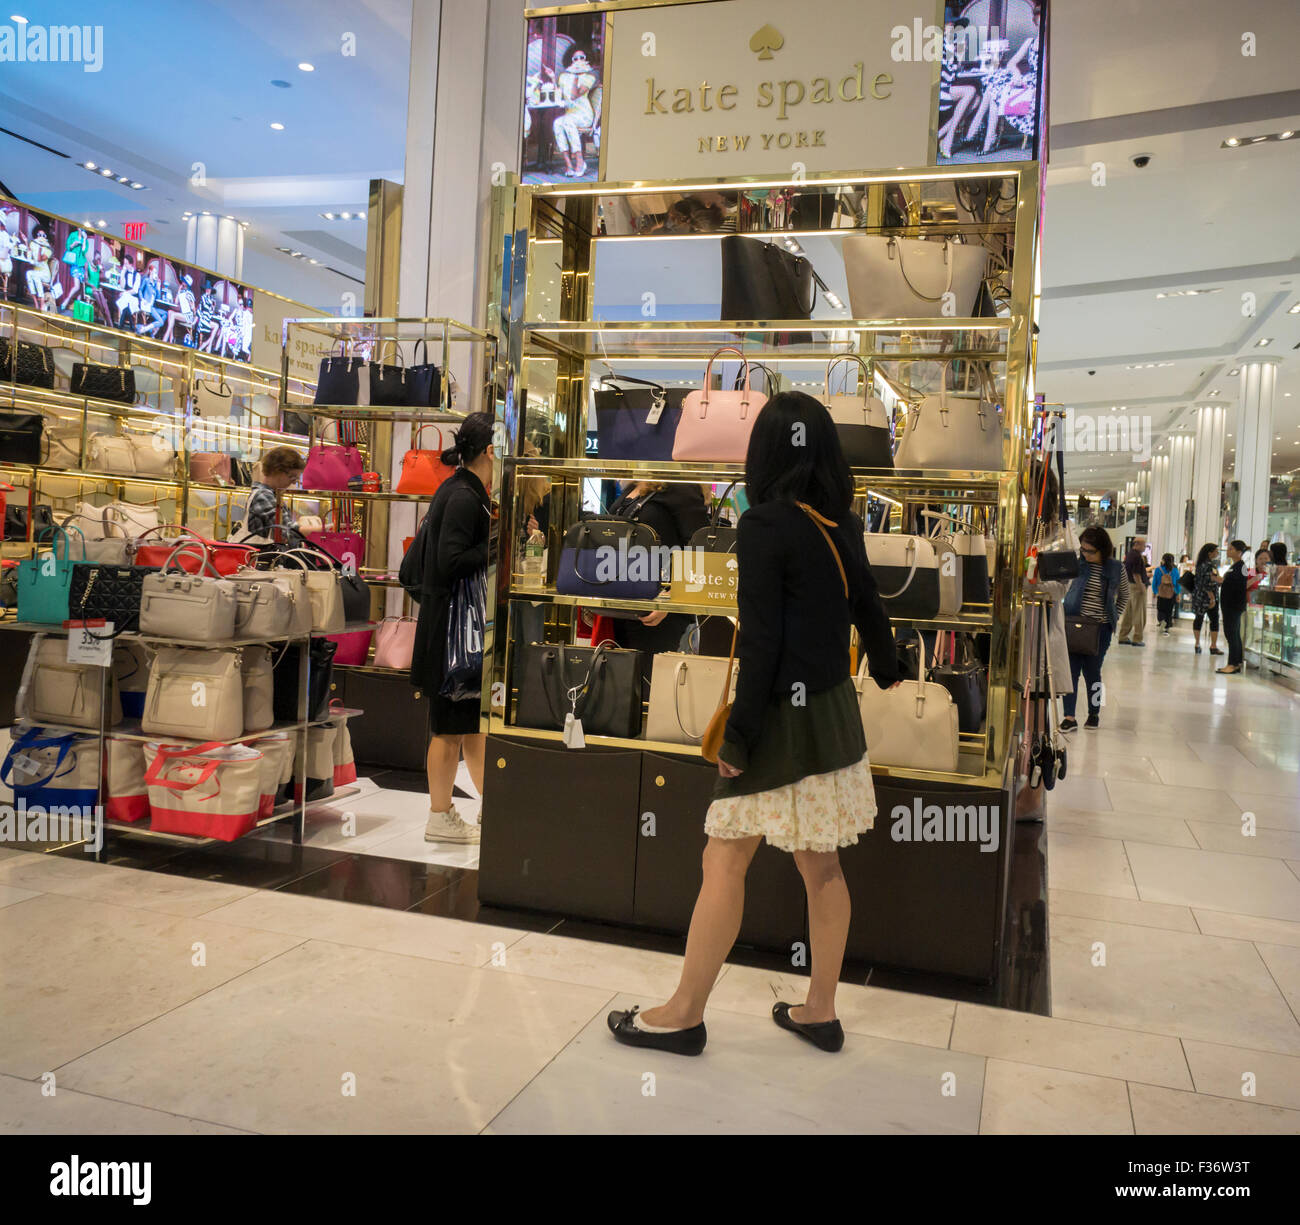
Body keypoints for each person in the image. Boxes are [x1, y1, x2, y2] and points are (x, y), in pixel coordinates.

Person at [608, 392, 900, 1057]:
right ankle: (820, 1009)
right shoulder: (841, 522)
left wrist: (737, 737)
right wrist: (888, 667)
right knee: (820, 864)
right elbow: (870, 607)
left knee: (724, 856)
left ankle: (684, 1012)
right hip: (831, 717)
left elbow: (763, 643)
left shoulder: (764, 524)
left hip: (778, 722)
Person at [403, 412, 494, 845]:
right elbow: (450, 561)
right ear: (491, 451)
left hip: (457, 631)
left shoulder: (461, 490)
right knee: (449, 728)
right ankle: (439, 816)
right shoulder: (462, 496)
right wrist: (496, 541)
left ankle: (490, 810)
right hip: (454, 634)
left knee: (470, 726)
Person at [608, 479, 709, 691]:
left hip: (660, 612)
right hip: (624, 606)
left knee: (651, 692)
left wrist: (672, 597)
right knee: (622, 691)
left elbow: (702, 547)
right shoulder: (634, 485)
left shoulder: (680, 486)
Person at [1059, 525, 1128, 731]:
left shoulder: (1116, 568)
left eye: (1090, 551)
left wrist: (1112, 616)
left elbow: (1124, 595)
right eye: (1083, 549)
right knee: (1070, 672)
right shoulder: (1077, 564)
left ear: (1102, 550)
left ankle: (1095, 712)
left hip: (1100, 629)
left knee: (1093, 673)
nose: (1085, 554)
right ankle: (1069, 717)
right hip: (1073, 624)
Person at [548, 47, 598, 178]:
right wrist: (553, 78)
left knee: (567, 122)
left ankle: (580, 161)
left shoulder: (589, 76)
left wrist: (576, 77)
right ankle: (569, 164)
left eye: (582, 57)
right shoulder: (564, 76)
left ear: (586, 59)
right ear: (571, 60)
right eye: (576, 58)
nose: (579, 60)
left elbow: (575, 95)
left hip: (584, 114)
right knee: (557, 123)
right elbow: (559, 94)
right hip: (570, 113)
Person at [243, 446, 305, 541]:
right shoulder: (263, 495)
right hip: (261, 554)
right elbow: (286, 530)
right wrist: (312, 528)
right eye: (292, 477)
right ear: (277, 470)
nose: (293, 482)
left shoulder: (272, 495)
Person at [1217, 540, 1249, 675]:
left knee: (1231, 633)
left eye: (1231, 549)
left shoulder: (1241, 567)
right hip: (1229, 605)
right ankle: (1236, 662)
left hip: (1233, 605)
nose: (1228, 551)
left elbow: (1238, 586)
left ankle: (1232, 663)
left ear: (1239, 552)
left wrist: (1222, 581)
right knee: (1233, 633)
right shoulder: (1235, 566)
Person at [1117, 534, 1150, 646]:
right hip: (1137, 587)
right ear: (1138, 544)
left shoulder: (1130, 554)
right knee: (1139, 613)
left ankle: (1123, 636)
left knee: (1129, 613)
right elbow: (1136, 574)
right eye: (1144, 545)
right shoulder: (1137, 556)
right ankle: (1137, 638)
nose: (1145, 547)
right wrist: (1141, 587)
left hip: (1129, 586)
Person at [1191, 542, 1222, 656]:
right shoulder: (1209, 565)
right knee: (1214, 620)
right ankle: (1213, 645)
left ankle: (1197, 644)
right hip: (1208, 596)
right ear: (1210, 553)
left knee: (1199, 618)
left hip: (1199, 596)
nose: (1217, 553)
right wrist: (1212, 597)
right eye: (1216, 551)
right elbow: (1208, 581)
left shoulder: (1201, 564)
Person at [162, 274, 197, 343]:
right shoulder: (181, 292)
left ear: (186, 284)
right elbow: (176, 302)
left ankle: (166, 336)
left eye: (184, 281)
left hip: (188, 316)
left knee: (173, 315)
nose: (182, 282)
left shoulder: (189, 294)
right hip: (183, 314)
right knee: (169, 312)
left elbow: (193, 308)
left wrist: (192, 308)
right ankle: (171, 337)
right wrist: (178, 290)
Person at [1151, 552, 1179, 635]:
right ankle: (1167, 628)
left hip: (1161, 592)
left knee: (1160, 609)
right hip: (1171, 593)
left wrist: (1155, 591)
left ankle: (1161, 621)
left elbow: (1155, 582)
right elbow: (1178, 583)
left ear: (1163, 560)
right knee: (1169, 610)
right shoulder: (1175, 570)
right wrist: (1177, 593)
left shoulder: (1158, 569)